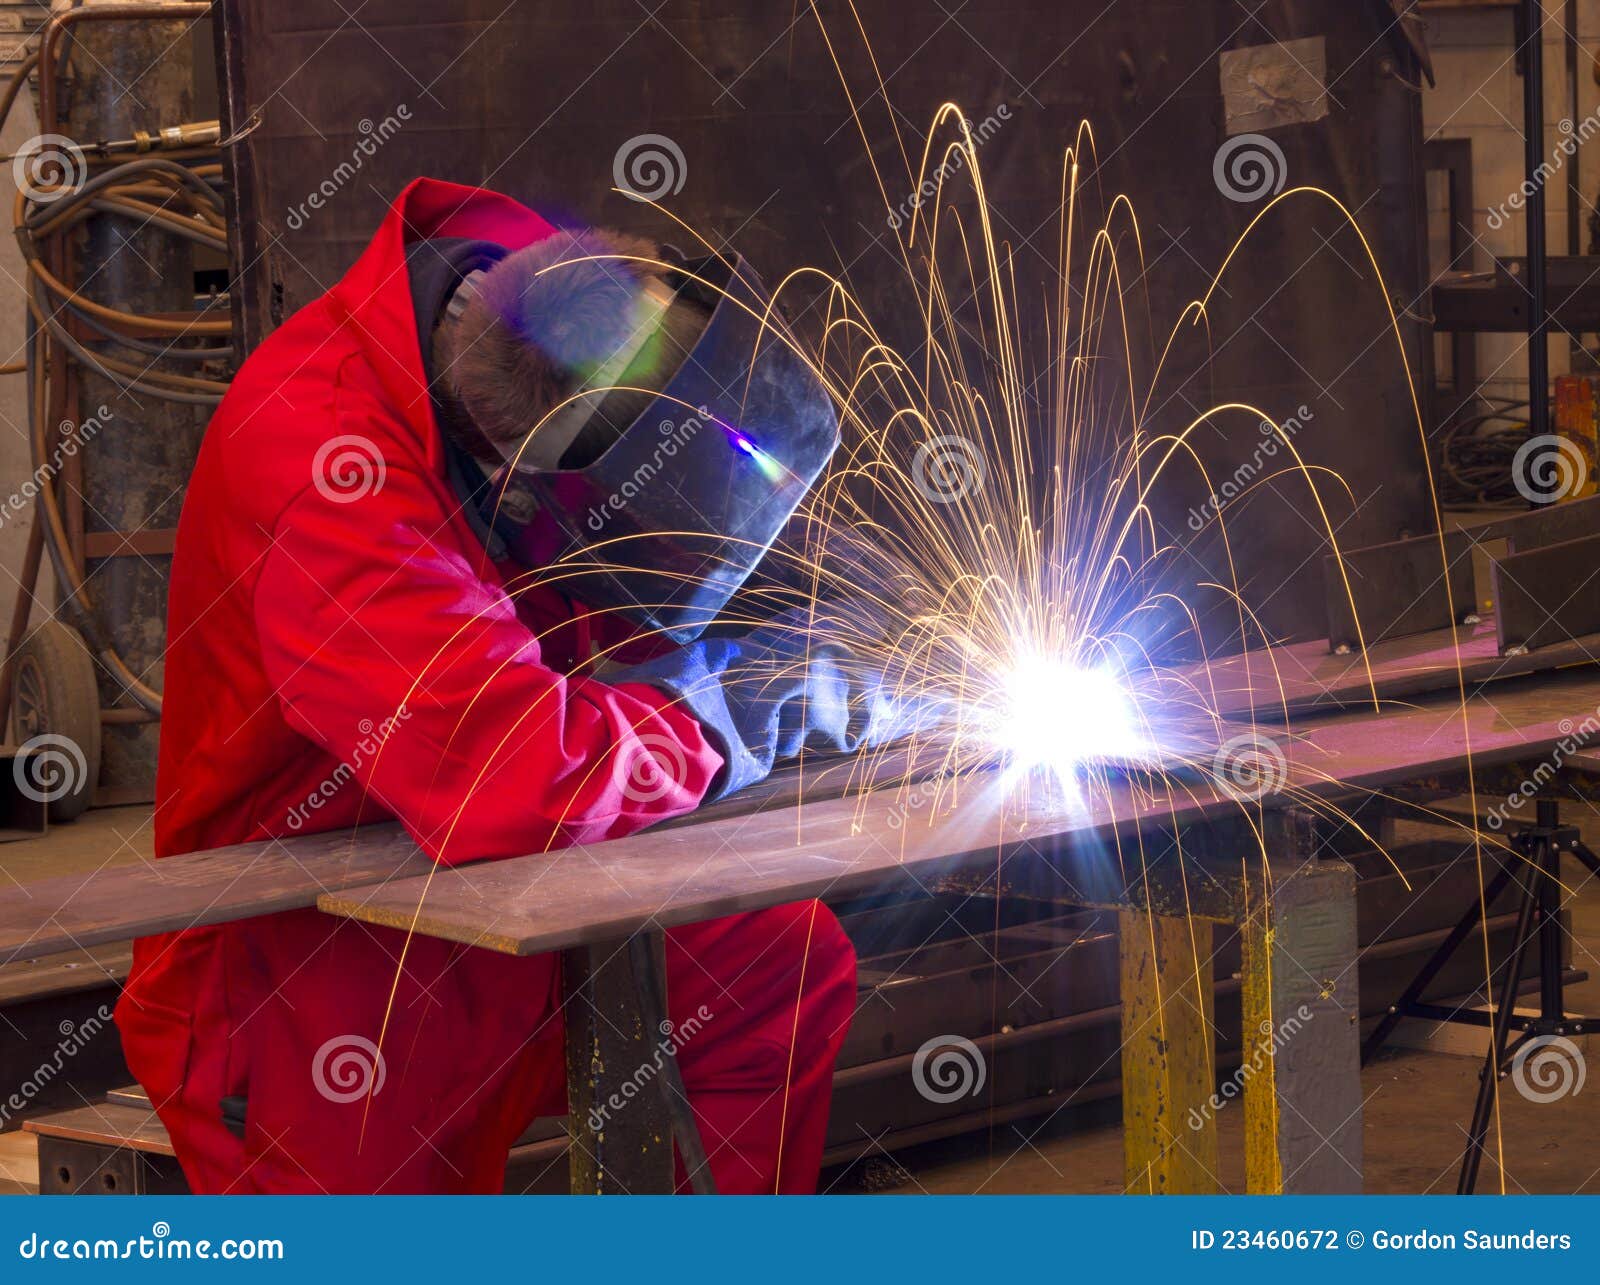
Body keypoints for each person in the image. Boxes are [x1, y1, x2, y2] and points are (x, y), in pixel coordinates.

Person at [116, 177, 907, 1194]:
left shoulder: (549, 292)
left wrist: (833, 619)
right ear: (518, 480)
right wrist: (745, 710)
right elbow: (518, 774)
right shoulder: (323, 470)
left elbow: (660, 528)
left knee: (773, 965)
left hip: (523, 900)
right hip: (322, 969)